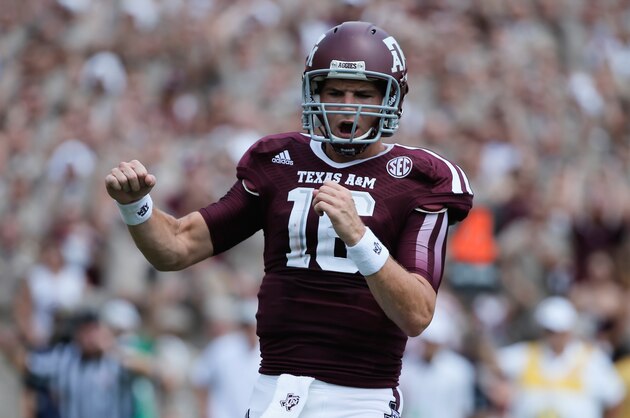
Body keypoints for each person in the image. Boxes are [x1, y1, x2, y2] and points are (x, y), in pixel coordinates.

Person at [105, 21, 473, 418]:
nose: (347, 105)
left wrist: (360, 238)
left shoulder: (419, 177)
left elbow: (417, 313)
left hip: (360, 398)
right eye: (335, 92)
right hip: (274, 392)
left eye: (363, 93)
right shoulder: (279, 160)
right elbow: (176, 247)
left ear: (390, 97)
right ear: (314, 93)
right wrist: (137, 206)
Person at [489, 296, 626, 418]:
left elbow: (615, 396)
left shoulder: (591, 359)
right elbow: (492, 361)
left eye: (560, 332)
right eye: (551, 332)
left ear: (569, 330)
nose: (555, 337)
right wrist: (500, 385)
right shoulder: (528, 354)